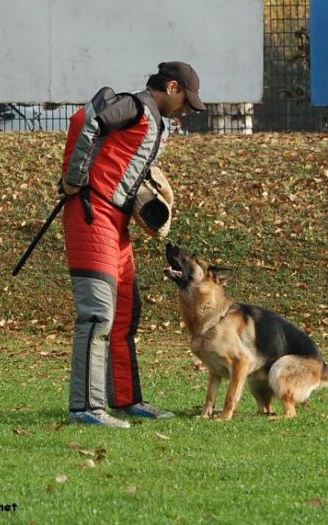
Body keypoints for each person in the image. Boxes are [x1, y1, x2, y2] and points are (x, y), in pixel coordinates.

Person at [59, 62, 205, 427]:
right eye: (186, 100)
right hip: (91, 216)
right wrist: (74, 178)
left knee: (125, 312)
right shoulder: (135, 106)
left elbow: (122, 167)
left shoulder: (155, 122)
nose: (187, 109)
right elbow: (84, 121)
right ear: (172, 87)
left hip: (116, 222)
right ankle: (86, 408)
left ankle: (125, 399)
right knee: (98, 315)